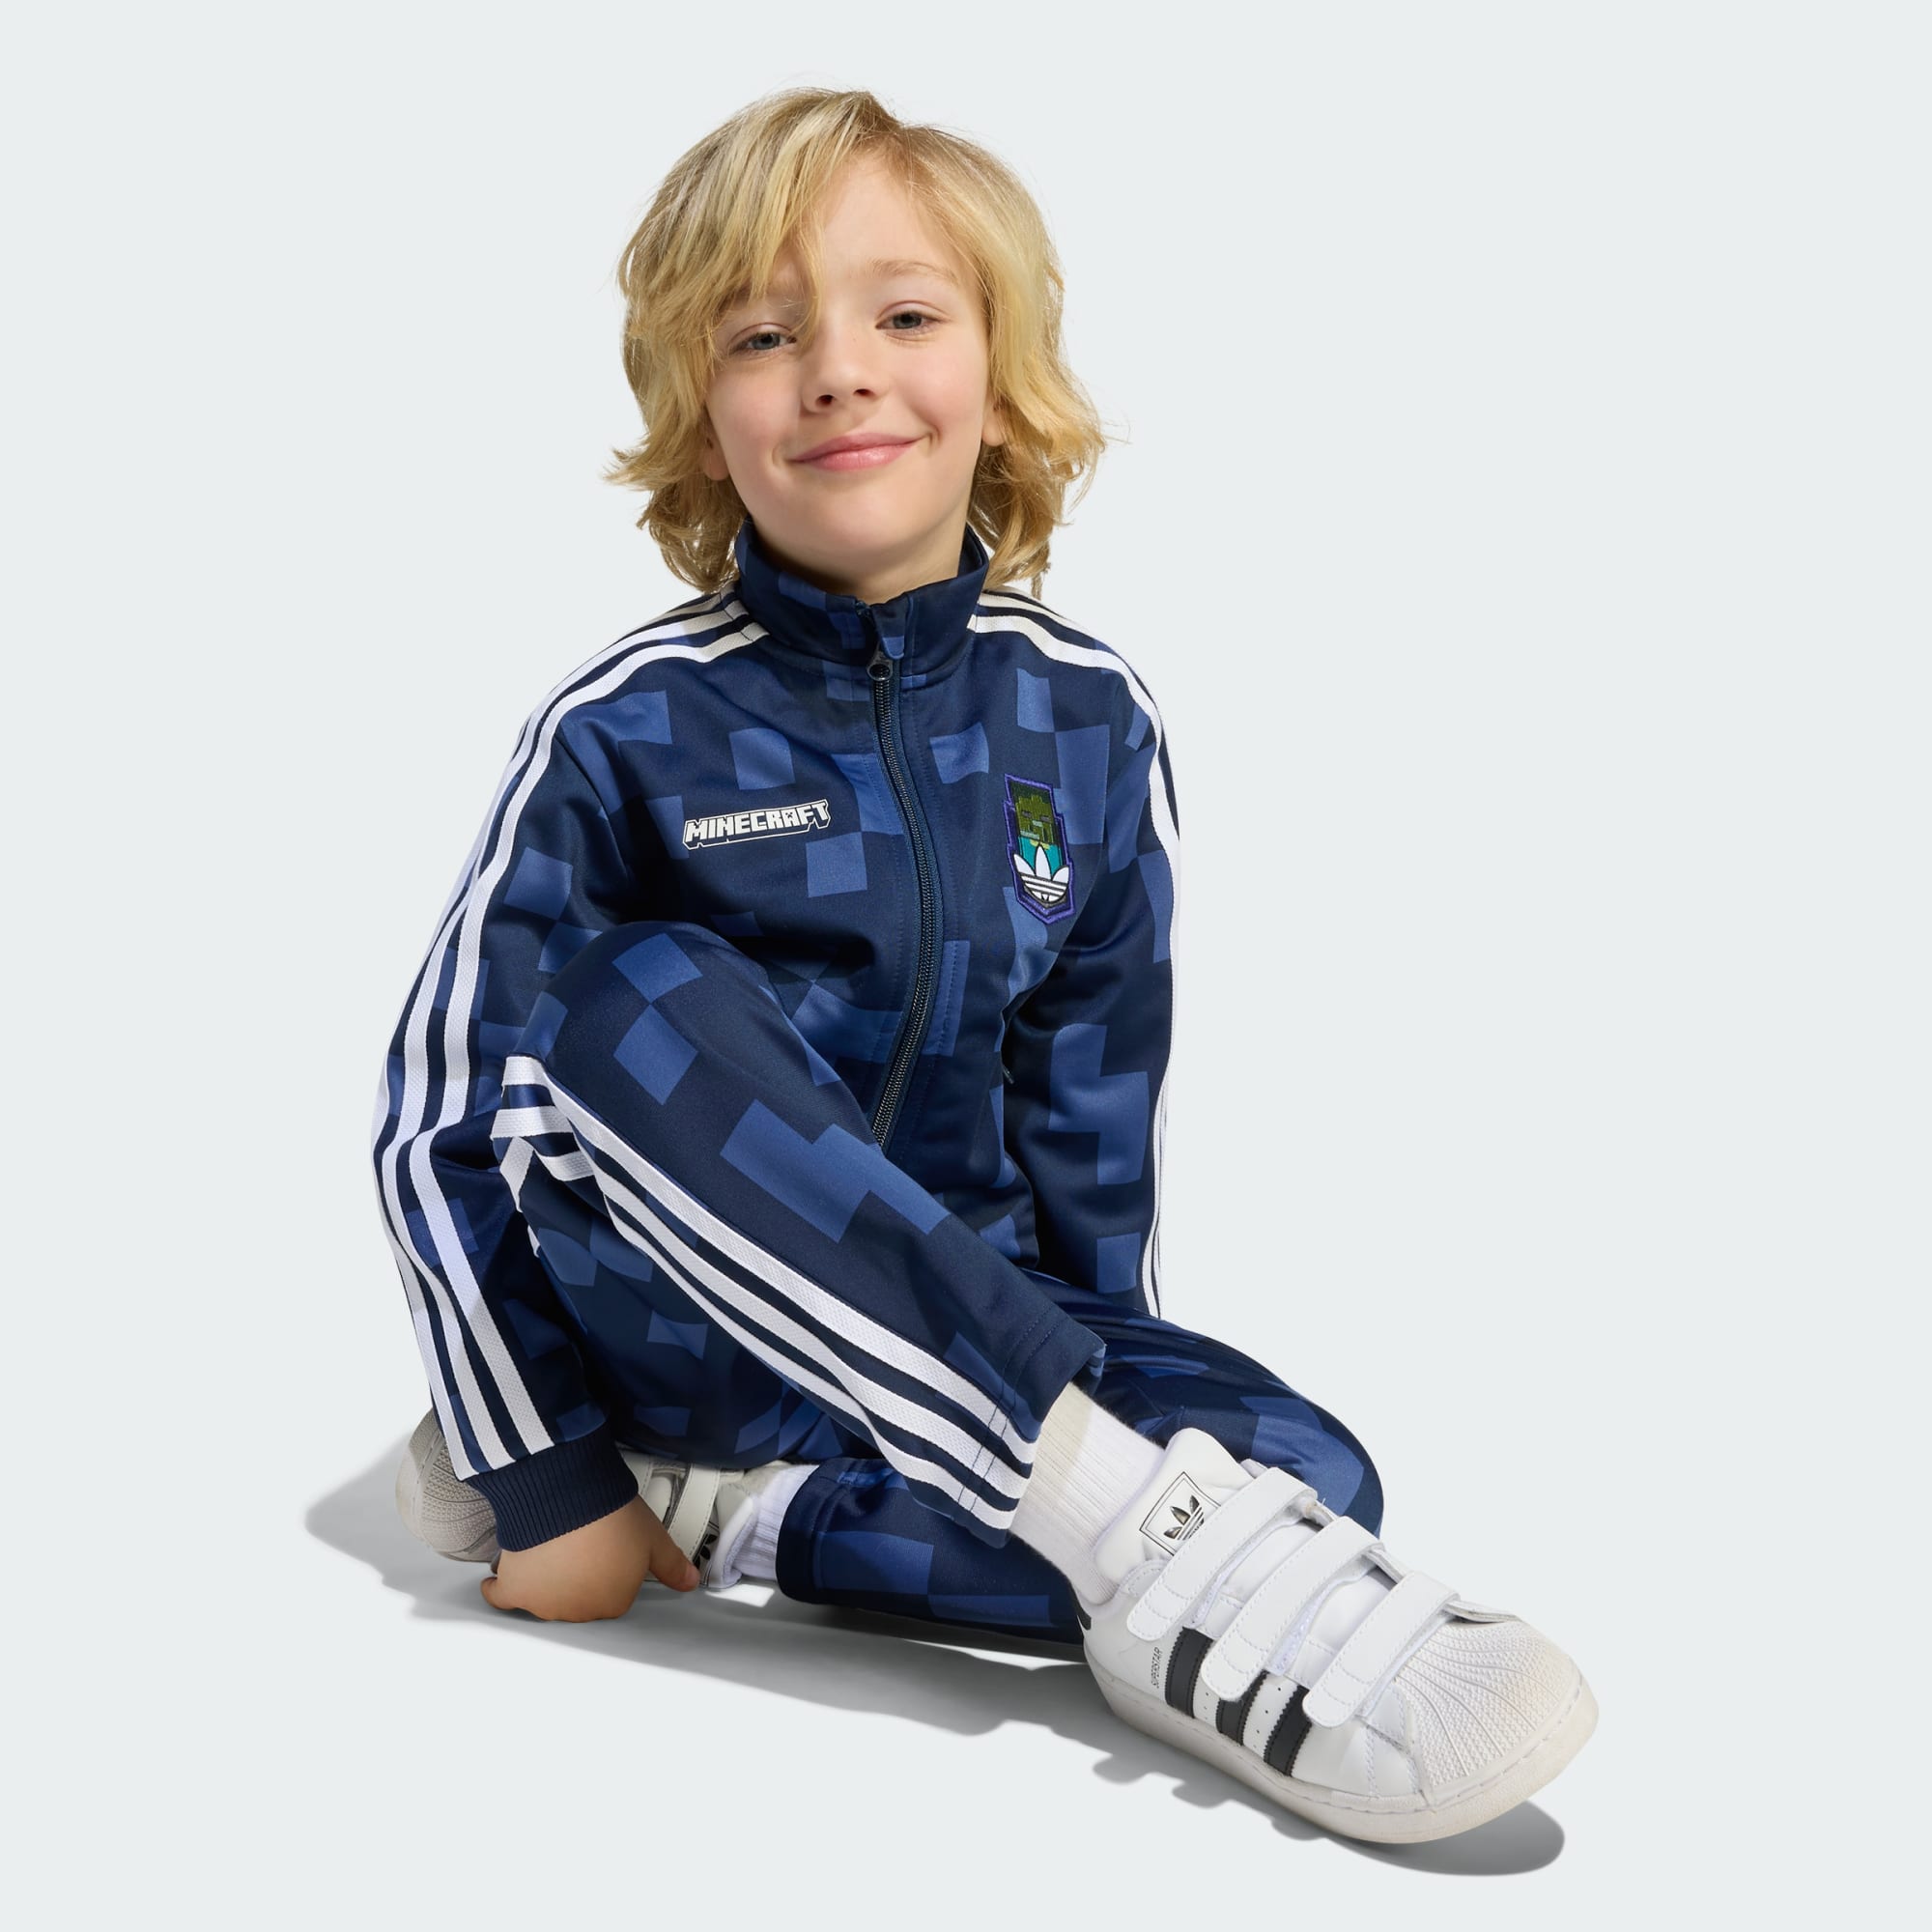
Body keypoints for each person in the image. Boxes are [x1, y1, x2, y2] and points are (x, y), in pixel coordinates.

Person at [370, 85, 1595, 1843]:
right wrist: (551, 1482)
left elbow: (1093, 1115)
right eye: (765, 336)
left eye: (905, 316)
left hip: (953, 1345)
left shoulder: (1082, 721)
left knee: (1320, 1473)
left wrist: (1118, 1369)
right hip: (677, 1335)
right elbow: (444, 1123)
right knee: (636, 998)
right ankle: (1077, 1521)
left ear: (1005, 385)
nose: (839, 373)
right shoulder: (628, 728)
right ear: (702, 423)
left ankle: (750, 1516)